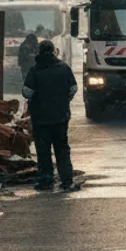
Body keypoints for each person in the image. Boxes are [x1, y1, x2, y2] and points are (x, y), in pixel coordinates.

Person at [23, 40, 81, 191]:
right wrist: (64, 100)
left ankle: (46, 181)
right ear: (54, 51)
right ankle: (67, 181)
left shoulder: (35, 70)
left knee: (43, 151)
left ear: (40, 52)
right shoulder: (64, 68)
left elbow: (27, 92)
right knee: (62, 149)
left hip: (40, 119)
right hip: (60, 117)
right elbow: (73, 88)